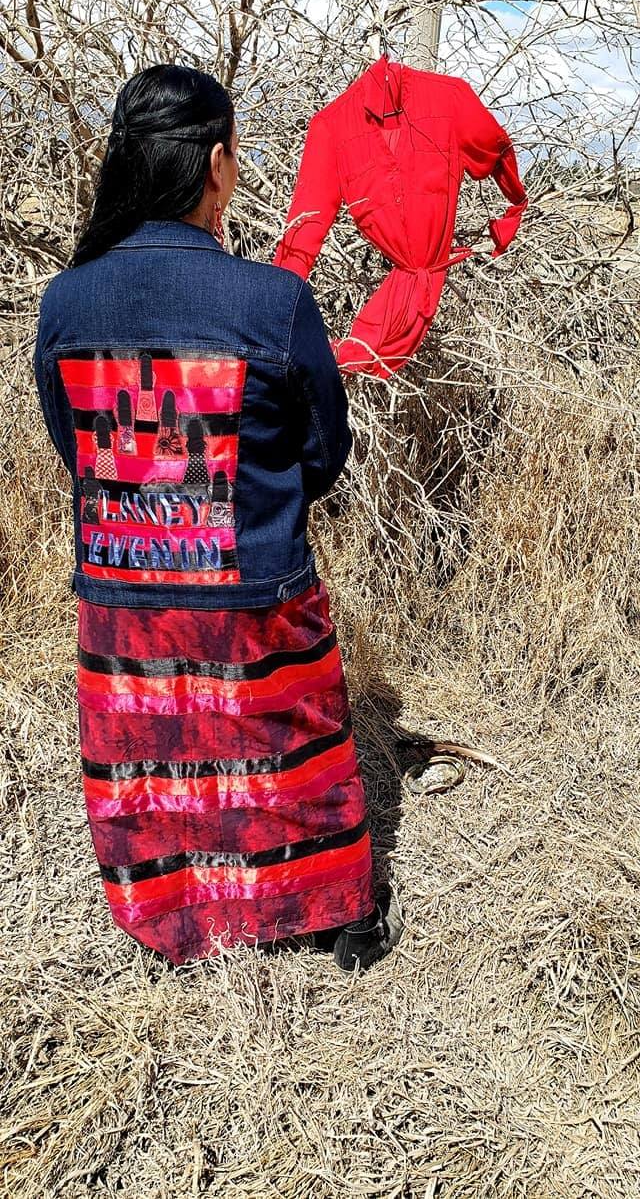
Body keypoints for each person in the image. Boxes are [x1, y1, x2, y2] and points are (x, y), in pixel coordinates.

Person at [34, 63, 400, 971]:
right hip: (251, 580)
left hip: (122, 597)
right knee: (295, 746)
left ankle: (170, 915)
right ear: (218, 163)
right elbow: (323, 450)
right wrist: (248, 504)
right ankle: (335, 917)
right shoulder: (272, 302)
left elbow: (73, 444)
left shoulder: (65, 302)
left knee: (150, 761)